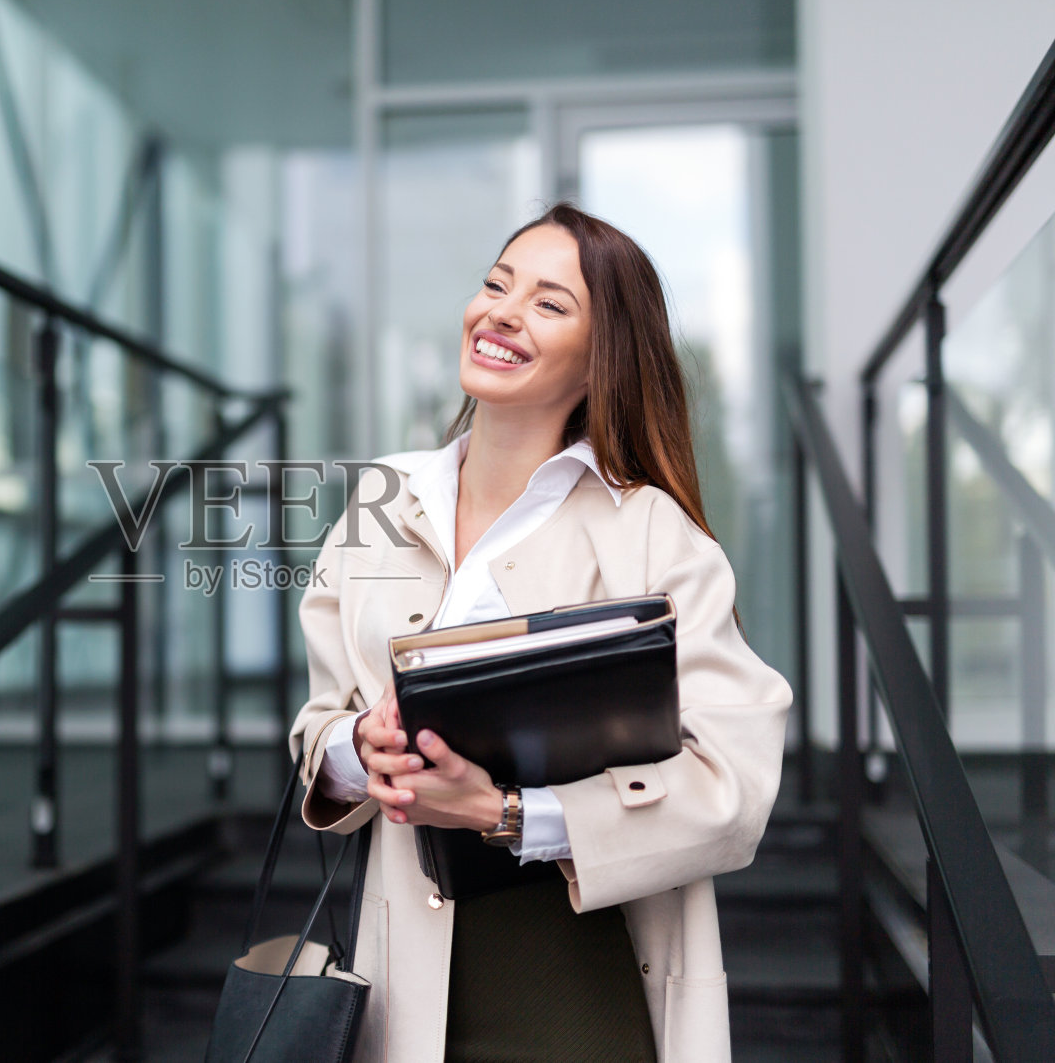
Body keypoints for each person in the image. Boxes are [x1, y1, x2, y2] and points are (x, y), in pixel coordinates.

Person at [287, 202, 792, 1063]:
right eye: (496, 284)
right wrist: (357, 749)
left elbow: (734, 785)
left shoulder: (650, 533)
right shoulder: (380, 505)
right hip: (400, 984)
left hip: (575, 974)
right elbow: (318, 723)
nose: (503, 314)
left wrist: (509, 813)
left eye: (550, 304)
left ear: (604, 360)